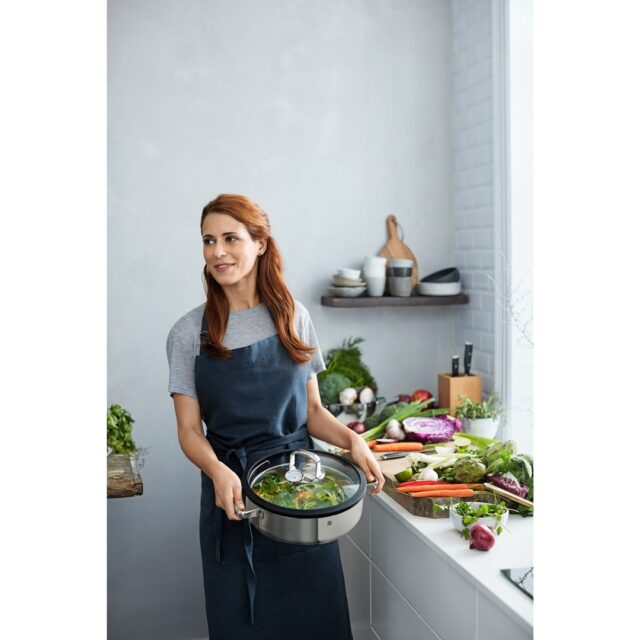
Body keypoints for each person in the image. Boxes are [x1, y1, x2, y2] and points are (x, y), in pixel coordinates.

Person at [166, 194, 385, 640]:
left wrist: (353, 441)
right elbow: (188, 430)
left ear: (260, 243)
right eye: (208, 240)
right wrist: (217, 470)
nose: (217, 252)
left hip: (304, 496)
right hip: (234, 499)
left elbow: (313, 412)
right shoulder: (189, 332)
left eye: (231, 238)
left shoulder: (293, 316)